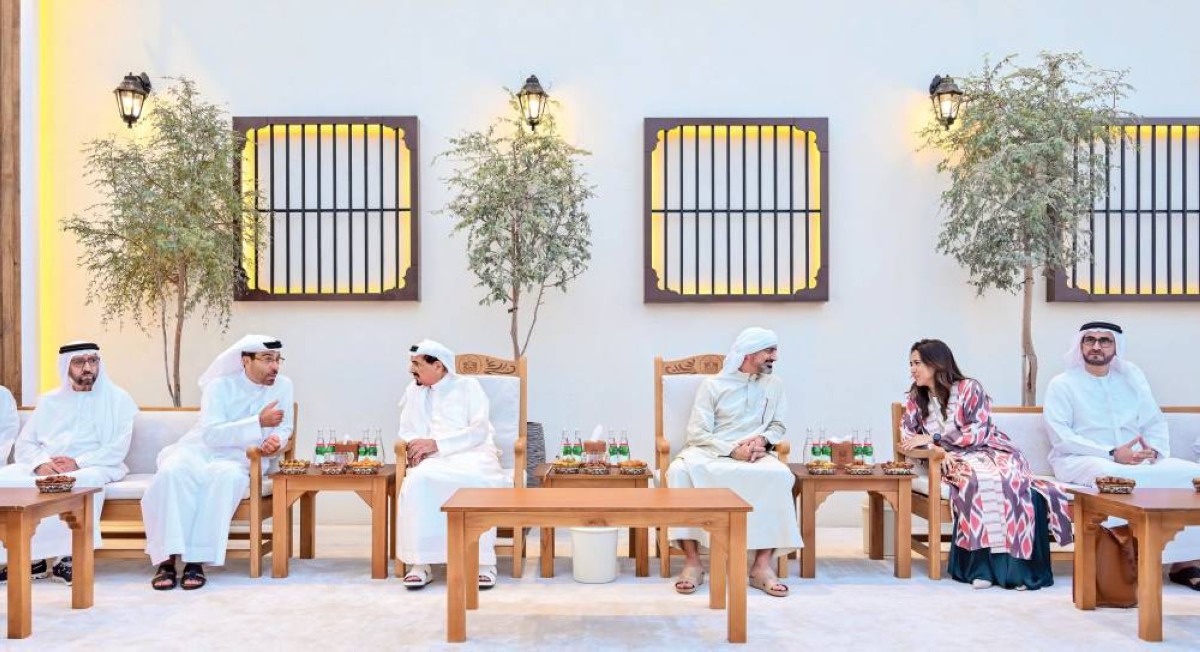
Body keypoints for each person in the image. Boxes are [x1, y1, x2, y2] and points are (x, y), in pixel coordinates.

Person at [900, 339, 1073, 590]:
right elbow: (908, 438)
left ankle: (1016, 572)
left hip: (992, 450)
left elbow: (977, 431)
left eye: (917, 363)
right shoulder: (916, 399)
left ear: (936, 363)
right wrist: (936, 450)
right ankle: (981, 569)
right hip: (953, 459)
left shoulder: (970, 388)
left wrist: (935, 438)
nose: (912, 370)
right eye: (911, 364)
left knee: (1009, 481)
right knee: (974, 481)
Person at [1044, 320, 1200, 590]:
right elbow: (1061, 436)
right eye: (1090, 340)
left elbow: (1153, 420)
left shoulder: (1132, 378)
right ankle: (1125, 560)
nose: (1096, 346)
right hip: (1080, 458)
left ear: (1116, 346)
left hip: (1136, 458)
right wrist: (1112, 453)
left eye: (1104, 340)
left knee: (1191, 475)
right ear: (1080, 345)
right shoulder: (1063, 384)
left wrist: (1153, 450)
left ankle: (1185, 561)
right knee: (1116, 476)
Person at [141, 335, 292, 590]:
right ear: (245, 361)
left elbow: (285, 426)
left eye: (278, 360)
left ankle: (196, 561)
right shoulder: (219, 387)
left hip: (240, 456)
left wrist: (275, 440)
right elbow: (211, 435)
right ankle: (166, 560)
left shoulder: (284, 385)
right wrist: (258, 422)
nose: (275, 366)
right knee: (171, 473)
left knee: (225, 478)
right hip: (198, 449)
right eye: (267, 359)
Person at [667, 327, 802, 598]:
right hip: (711, 451)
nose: (775, 357)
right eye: (769, 350)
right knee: (679, 471)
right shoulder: (713, 385)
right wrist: (732, 450)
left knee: (780, 476)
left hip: (756, 454)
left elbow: (778, 425)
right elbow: (697, 433)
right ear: (749, 353)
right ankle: (693, 563)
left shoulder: (775, 385)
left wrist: (762, 440)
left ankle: (762, 566)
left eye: (775, 350)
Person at [0, 342, 137, 586]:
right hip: (48, 464)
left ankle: (68, 557)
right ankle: (27, 557)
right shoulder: (49, 401)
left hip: (96, 464)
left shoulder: (119, 399)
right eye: (79, 362)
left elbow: (117, 448)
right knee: (6, 479)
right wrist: (40, 464)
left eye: (92, 361)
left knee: (82, 481)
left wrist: (78, 462)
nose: (88, 367)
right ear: (66, 366)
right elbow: (25, 444)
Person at [396, 340, 509, 590]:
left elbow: (479, 430)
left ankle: (483, 563)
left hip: (474, 453)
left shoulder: (468, 386)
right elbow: (407, 429)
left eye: (416, 364)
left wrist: (438, 444)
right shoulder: (413, 391)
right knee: (419, 481)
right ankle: (421, 563)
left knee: (477, 481)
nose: (411, 369)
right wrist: (416, 445)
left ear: (438, 366)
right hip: (434, 459)